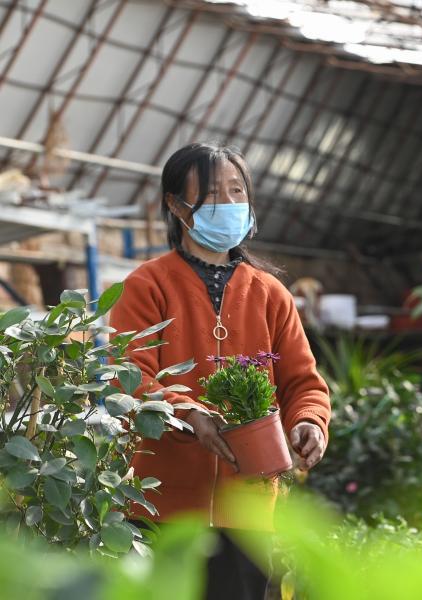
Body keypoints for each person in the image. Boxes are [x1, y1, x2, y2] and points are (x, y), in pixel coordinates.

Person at [110, 142, 331, 598]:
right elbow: (127, 375)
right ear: (177, 205)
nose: (230, 204)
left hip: (249, 511)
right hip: (162, 507)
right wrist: (188, 412)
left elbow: (302, 382)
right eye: (214, 194)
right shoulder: (147, 285)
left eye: (238, 191)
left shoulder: (270, 293)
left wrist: (310, 421)